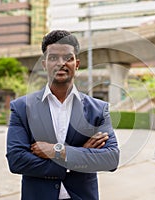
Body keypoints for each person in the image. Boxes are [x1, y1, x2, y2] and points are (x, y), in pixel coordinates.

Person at [6, 30, 120, 200]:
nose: (61, 63)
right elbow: (16, 160)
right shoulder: (22, 108)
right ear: (44, 64)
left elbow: (111, 158)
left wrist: (57, 151)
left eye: (68, 57)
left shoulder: (98, 109)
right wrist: (79, 156)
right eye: (53, 58)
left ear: (77, 63)